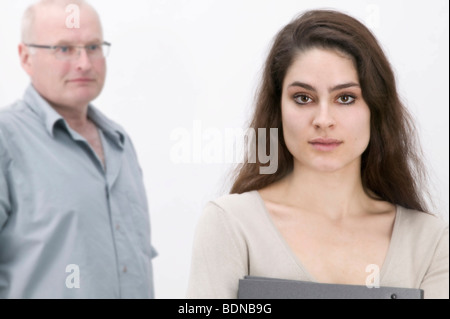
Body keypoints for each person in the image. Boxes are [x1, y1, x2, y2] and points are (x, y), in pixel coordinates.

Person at [186, 10, 449, 299]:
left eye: (345, 98)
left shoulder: (431, 241)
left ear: (376, 108)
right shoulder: (231, 225)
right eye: (304, 98)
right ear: (279, 109)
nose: (323, 119)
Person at [0, 0, 156, 298]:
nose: (84, 62)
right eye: (64, 49)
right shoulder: (6, 138)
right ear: (25, 57)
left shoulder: (119, 142)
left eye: (94, 47)